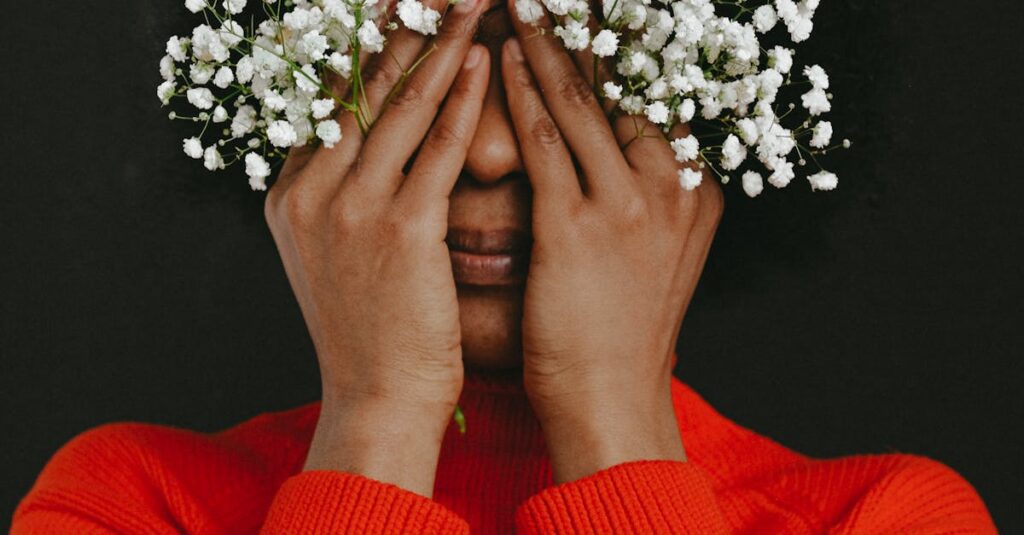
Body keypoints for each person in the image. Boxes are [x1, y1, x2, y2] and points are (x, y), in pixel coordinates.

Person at [12, 0, 997, 532]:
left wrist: (613, 418)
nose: (487, 151)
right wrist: (380, 417)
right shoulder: (126, 504)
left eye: (559, 57)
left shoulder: (888, 519)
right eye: (426, 55)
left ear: (709, 103)